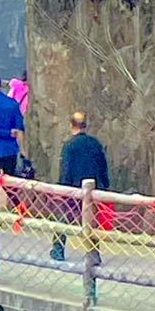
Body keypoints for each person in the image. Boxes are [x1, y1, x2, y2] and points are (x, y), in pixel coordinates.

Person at [50, 112, 111, 262]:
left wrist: (62, 189)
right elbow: (103, 167)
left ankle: (58, 249)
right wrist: (104, 185)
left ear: (71, 125)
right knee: (91, 221)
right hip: (93, 189)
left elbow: (66, 169)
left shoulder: (69, 145)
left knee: (64, 218)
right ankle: (94, 254)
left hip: (74, 188)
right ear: (85, 125)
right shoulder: (95, 143)